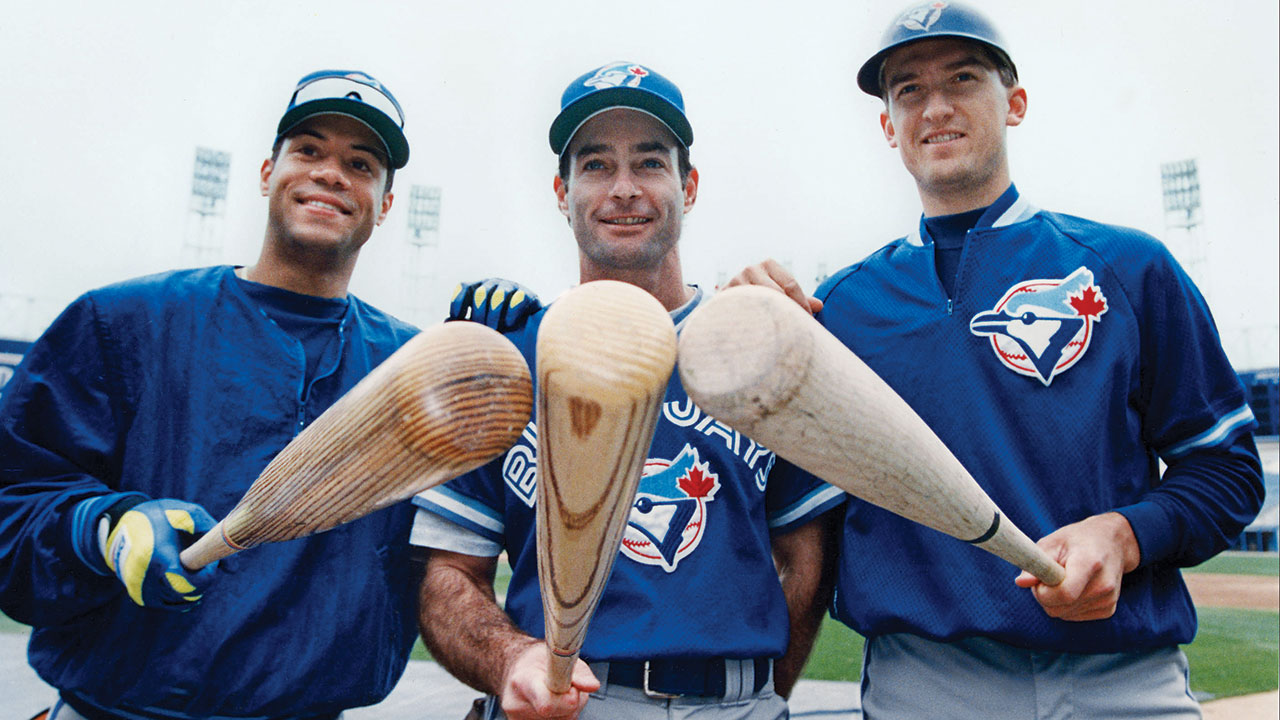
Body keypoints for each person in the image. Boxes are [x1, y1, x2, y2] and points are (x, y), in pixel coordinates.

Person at [729, 3, 1264, 718]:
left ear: (1014, 102)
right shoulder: (839, 312)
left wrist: (1127, 534)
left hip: (1123, 678)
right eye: (909, 90)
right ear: (888, 125)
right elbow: (799, 540)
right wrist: (739, 325)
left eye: (964, 78)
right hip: (928, 682)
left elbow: (1227, 471)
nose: (936, 107)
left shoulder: (1128, 269)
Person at [414, 61, 845, 720]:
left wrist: (756, 695)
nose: (623, 189)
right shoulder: (507, 358)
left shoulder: (753, 346)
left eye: (649, 163)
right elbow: (450, 575)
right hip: (567, 701)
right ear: (561, 191)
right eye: (595, 166)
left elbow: (807, 558)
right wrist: (511, 661)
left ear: (688, 185)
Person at [0, 69, 425, 720]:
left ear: (386, 204)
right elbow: (15, 505)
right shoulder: (122, 321)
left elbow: (477, 532)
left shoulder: (411, 368)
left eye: (361, 163)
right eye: (309, 150)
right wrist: (103, 528)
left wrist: (513, 338)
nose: (332, 173)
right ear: (267, 172)